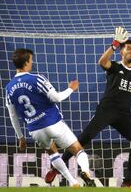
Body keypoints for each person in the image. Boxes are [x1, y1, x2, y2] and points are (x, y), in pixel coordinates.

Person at [45, 26, 131, 187]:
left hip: (123, 115)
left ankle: (127, 181)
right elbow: (102, 62)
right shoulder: (115, 67)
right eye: (129, 49)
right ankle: (56, 168)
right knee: (83, 139)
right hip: (106, 111)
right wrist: (115, 44)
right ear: (122, 52)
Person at [5, 48, 96, 187]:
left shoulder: (9, 88)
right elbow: (57, 98)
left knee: (53, 153)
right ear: (26, 63)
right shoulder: (36, 79)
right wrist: (71, 88)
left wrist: (20, 137)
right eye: (31, 60)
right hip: (53, 123)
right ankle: (85, 172)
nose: (32, 62)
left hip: (35, 130)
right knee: (78, 150)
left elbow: (12, 115)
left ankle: (73, 183)